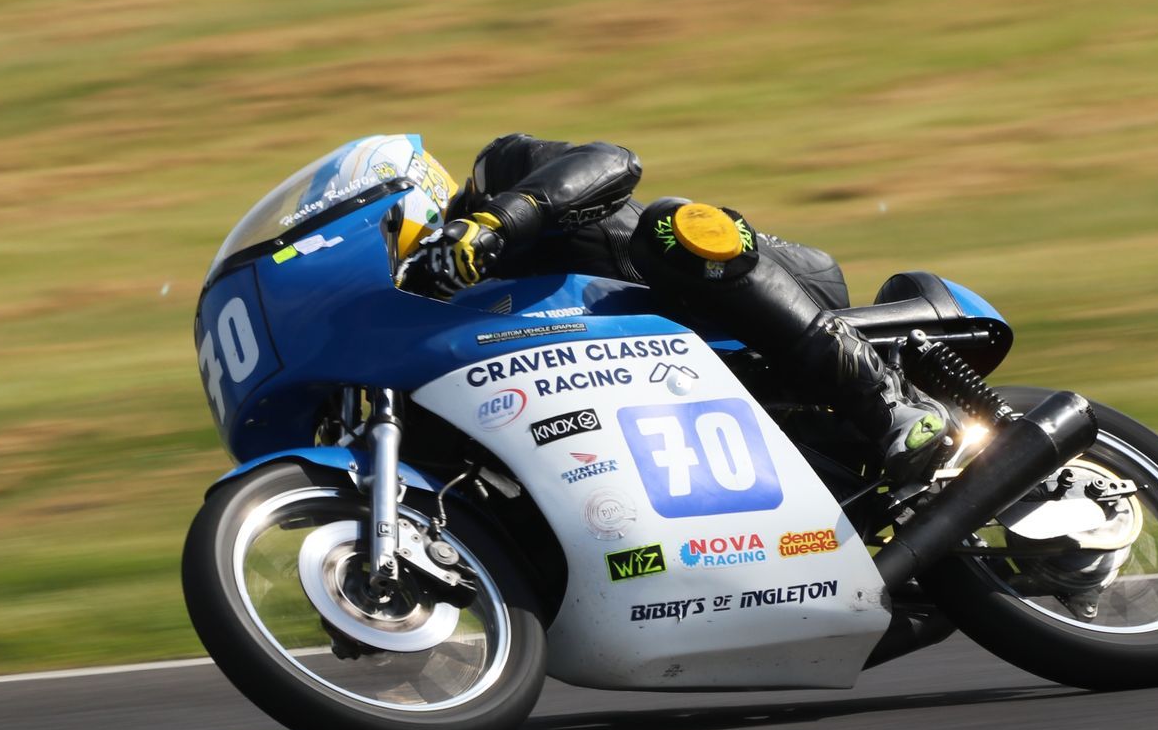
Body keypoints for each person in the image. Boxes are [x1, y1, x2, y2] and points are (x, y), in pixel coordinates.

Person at [401, 133, 952, 480]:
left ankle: (890, 402)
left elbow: (612, 161)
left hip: (739, 299)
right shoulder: (439, 326)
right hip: (660, 394)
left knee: (668, 224)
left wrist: (497, 221)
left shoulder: (499, 174)